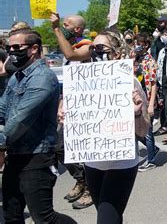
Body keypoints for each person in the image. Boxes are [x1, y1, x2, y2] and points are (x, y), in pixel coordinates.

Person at [0, 29, 76, 223]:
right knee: (11, 215)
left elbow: (20, 120)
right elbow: (2, 109)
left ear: (34, 49)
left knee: (44, 218)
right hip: (15, 155)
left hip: (37, 157)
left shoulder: (42, 78)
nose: (12, 52)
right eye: (9, 47)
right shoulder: (17, 77)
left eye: (17, 47)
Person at [85, 30, 150, 223]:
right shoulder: (82, 83)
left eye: (101, 48)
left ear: (116, 53)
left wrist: (137, 112)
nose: (95, 52)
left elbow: (143, 131)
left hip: (120, 164)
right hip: (92, 163)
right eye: (92, 48)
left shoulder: (130, 84)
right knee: (112, 217)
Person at [50, 12, 94, 209]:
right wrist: (61, 104)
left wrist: (56, 28)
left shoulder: (87, 46)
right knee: (60, 147)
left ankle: (91, 189)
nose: (63, 26)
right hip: (71, 107)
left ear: (76, 29)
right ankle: (81, 179)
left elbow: (70, 54)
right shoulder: (70, 48)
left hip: (88, 108)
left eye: (66, 24)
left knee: (87, 151)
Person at [133, 32, 160, 172]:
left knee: (148, 132)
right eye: (136, 42)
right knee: (137, 131)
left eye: (140, 43)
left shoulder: (150, 61)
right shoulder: (135, 60)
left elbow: (153, 84)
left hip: (146, 100)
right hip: (136, 100)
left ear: (146, 45)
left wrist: (150, 104)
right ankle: (153, 149)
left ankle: (151, 160)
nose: (137, 45)